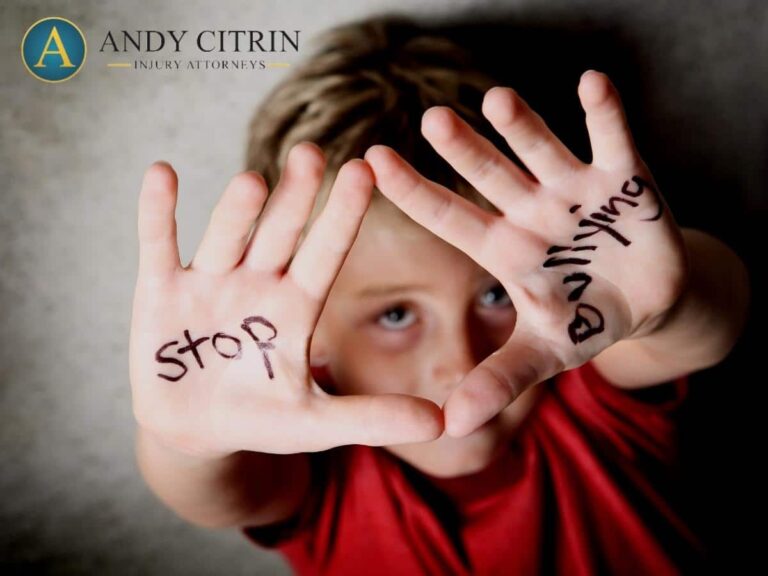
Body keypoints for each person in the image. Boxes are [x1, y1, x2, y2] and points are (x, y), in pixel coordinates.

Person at [129, 17, 751, 576]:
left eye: (494, 297)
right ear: (308, 334)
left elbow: (702, 327)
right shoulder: (315, 474)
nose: (463, 362)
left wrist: (670, 299)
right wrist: (183, 442)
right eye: (395, 314)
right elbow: (220, 493)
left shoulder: (590, 395)